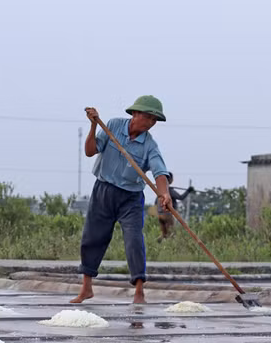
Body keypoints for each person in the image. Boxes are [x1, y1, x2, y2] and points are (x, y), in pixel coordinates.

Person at [71, 95, 172, 305]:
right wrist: (92, 126)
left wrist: (164, 194)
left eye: (155, 120)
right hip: (104, 190)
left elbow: (159, 172)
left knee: (134, 240)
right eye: (149, 117)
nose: (151, 123)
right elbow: (90, 151)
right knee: (93, 237)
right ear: (135, 114)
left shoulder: (149, 145)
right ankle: (86, 288)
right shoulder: (114, 126)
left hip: (131, 198)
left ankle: (139, 291)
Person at [155, 172, 195, 241]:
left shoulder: (160, 190)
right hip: (167, 214)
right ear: (170, 180)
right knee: (171, 233)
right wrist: (188, 191)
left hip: (159, 215)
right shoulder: (169, 191)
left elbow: (156, 202)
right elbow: (180, 197)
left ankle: (158, 242)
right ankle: (170, 247)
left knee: (164, 234)